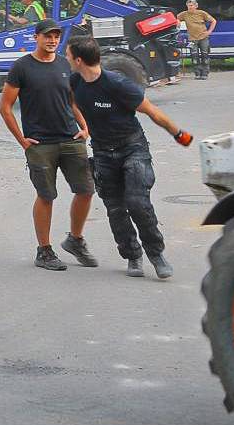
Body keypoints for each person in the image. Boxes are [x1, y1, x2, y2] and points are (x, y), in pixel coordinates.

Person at [67, 38, 193, 279]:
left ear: (79, 60)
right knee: (115, 208)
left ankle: (156, 255)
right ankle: (133, 256)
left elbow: (152, 111)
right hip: (103, 152)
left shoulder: (117, 84)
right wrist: (84, 126)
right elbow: (72, 102)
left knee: (137, 202)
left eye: (68, 55)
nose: (67, 59)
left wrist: (179, 134)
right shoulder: (76, 82)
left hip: (132, 147)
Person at [0, 20, 98, 272]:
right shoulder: (22, 67)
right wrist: (22, 140)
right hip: (40, 143)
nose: (52, 40)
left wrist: (85, 127)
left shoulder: (64, 64)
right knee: (46, 196)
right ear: (36, 37)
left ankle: (75, 240)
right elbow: (5, 107)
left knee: (86, 190)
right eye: (47, 36)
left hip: (71, 139)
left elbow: (72, 101)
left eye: (56, 36)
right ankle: (44, 251)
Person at [177, 0, 217, 79]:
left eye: (191, 5)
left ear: (196, 6)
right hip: (192, 39)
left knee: (205, 55)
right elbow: (176, 18)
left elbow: (213, 21)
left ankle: (205, 73)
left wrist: (209, 31)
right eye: (188, 6)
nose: (190, 7)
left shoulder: (202, 13)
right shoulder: (184, 14)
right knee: (194, 57)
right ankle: (197, 73)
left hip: (203, 37)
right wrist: (177, 22)